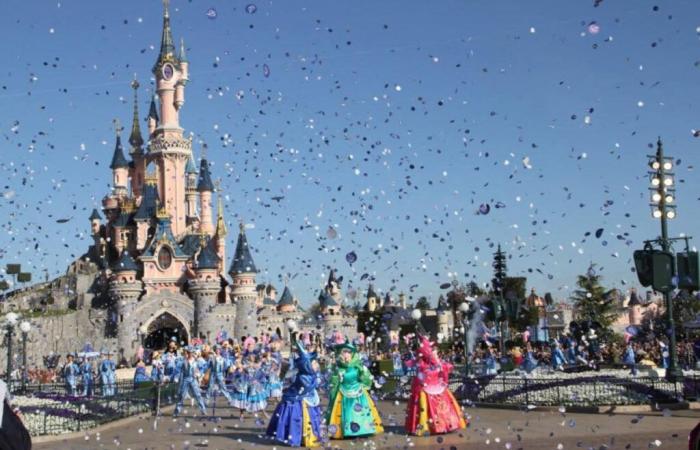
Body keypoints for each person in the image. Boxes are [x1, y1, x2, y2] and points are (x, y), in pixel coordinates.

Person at [405, 336, 467, 436]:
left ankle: (440, 425)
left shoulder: (432, 363)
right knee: (429, 407)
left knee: (436, 407)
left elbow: (446, 368)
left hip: (434, 388)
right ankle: (436, 426)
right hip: (429, 389)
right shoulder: (423, 364)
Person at [266, 340, 322, 447]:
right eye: (313, 363)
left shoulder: (308, 374)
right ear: (307, 365)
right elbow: (308, 385)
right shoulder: (304, 377)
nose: (317, 365)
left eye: (315, 362)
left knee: (306, 419)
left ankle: (304, 437)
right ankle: (297, 437)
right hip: (297, 399)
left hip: (308, 398)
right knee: (297, 420)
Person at [326, 340, 383, 439]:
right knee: (347, 412)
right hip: (344, 393)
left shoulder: (358, 366)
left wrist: (363, 372)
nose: (346, 355)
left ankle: (363, 429)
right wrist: (337, 377)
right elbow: (333, 383)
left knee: (360, 410)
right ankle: (348, 430)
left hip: (358, 393)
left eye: (348, 352)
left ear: (352, 354)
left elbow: (366, 379)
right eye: (344, 352)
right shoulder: (339, 368)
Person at [174, 348, 207, 417]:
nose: (190, 354)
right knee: (181, 395)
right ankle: (177, 411)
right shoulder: (183, 362)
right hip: (185, 379)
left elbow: (203, 367)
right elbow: (178, 370)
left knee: (198, 394)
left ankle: (203, 410)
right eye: (189, 353)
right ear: (187, 353)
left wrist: (199, 373)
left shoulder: (196, 361)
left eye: (191, 353)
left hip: (193, 379)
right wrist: (176, 377)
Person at [0, 379, 31, 450]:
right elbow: (10, 401)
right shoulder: (2, 384)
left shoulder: (2, 384)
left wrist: (18, 413)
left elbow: (10, 401)